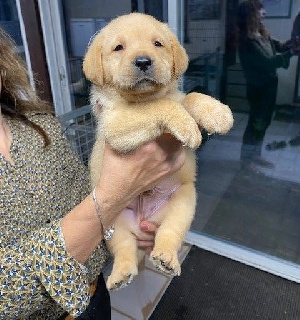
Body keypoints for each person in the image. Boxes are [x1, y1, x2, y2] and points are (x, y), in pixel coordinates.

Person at [0, 27, 186, 319]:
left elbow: (85, 197)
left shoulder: (40, 128)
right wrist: (115, 194)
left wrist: (129, 228)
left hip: (93, 295)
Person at [237, 0, 297, 171]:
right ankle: (246, 161)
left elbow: (278, 46)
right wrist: (291, 53)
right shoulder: (247, 41)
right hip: (258, 88)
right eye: (260, 10)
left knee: (265, 121)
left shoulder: (262, 34)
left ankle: (256, 155)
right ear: (251, 15)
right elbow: (268, 63)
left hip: (269, 86)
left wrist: (291, 44)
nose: (264, 13)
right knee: (256, 123)